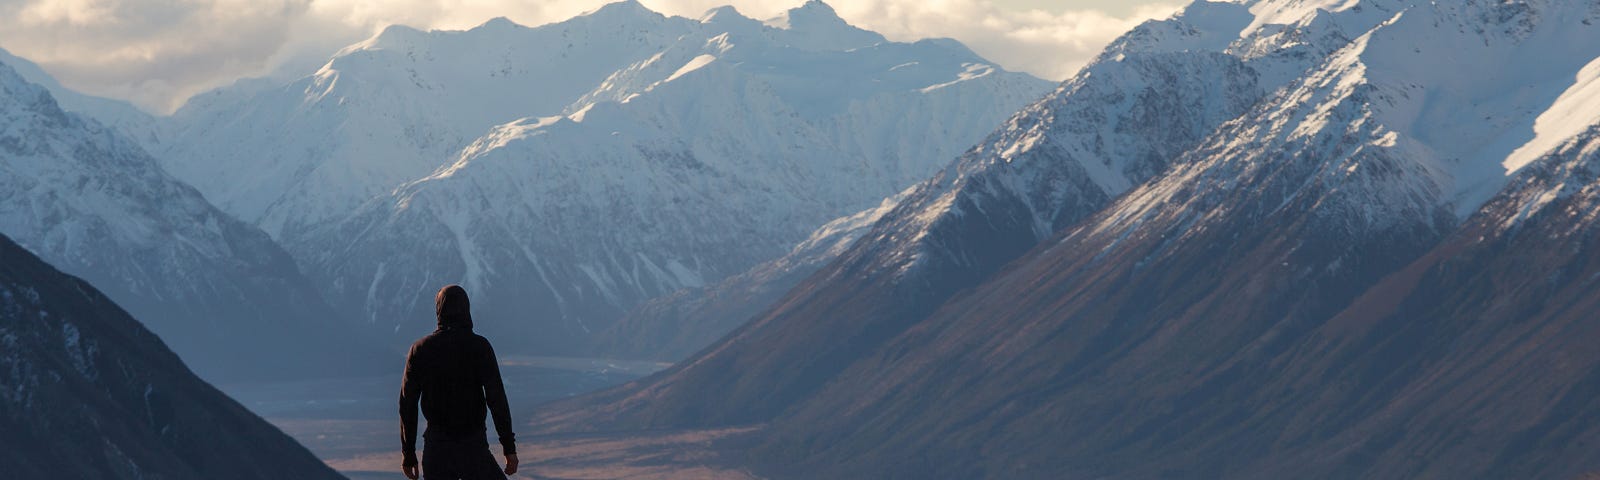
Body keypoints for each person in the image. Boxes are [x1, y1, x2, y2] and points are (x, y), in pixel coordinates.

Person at [400, 285, 519, 479]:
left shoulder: (420, 350)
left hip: (437, 449)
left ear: (439, 310)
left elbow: (407, 405)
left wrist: (409, 453)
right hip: (473, 447)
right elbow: (496, 399)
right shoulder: (480, 348)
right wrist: (509, 448)